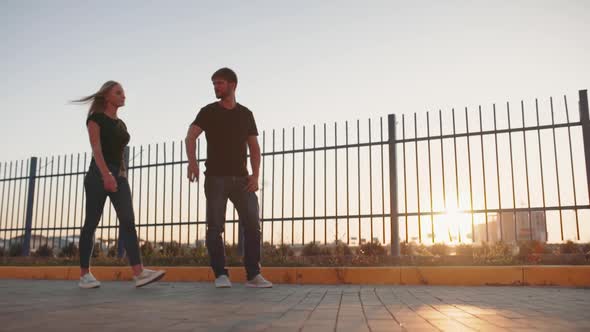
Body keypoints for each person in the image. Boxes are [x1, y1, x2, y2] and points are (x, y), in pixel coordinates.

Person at [73, 81, 166, 289]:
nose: (123, 95)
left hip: (119, 176)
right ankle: (84, 275)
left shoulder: (121, 124)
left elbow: (120, 152)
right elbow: (96, 149)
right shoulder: (95, 119)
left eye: (123, 92)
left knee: (128, 221)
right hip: (98, 174)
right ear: (107, 97)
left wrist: (120, 174)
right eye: (118, 92)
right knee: (91, 223)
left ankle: (139, 272)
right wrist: (106, 174)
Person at [185, 68, 272, 288]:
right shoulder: (208, 111)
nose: (216, 87)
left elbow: (254, 147)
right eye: (214, 83)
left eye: (220, 83)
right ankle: (221, 274)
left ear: (233, 85)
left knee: (253, 225)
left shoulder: (246, 114)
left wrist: (255, 175)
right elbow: (191, 136)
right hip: (215, 178)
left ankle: (253, 274)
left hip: (243, 179)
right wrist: (193, 162)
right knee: (215, 227)